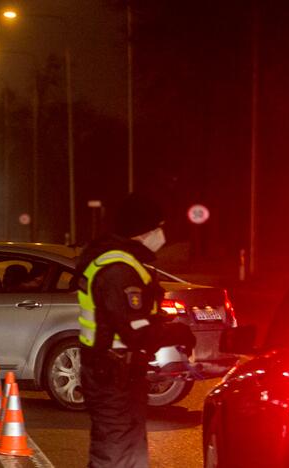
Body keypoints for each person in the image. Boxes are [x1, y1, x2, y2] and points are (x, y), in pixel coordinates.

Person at [77, 193, 195, 467]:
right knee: (114, 452)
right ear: (144, 230)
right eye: (159, 227)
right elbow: (135, 331)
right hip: (112, 376)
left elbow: (133, 320)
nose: (162, 233)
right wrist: (177, 333)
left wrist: (161, 323)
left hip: (120, 375)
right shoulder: (119, 270)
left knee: (129, 452)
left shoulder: (123, 263)